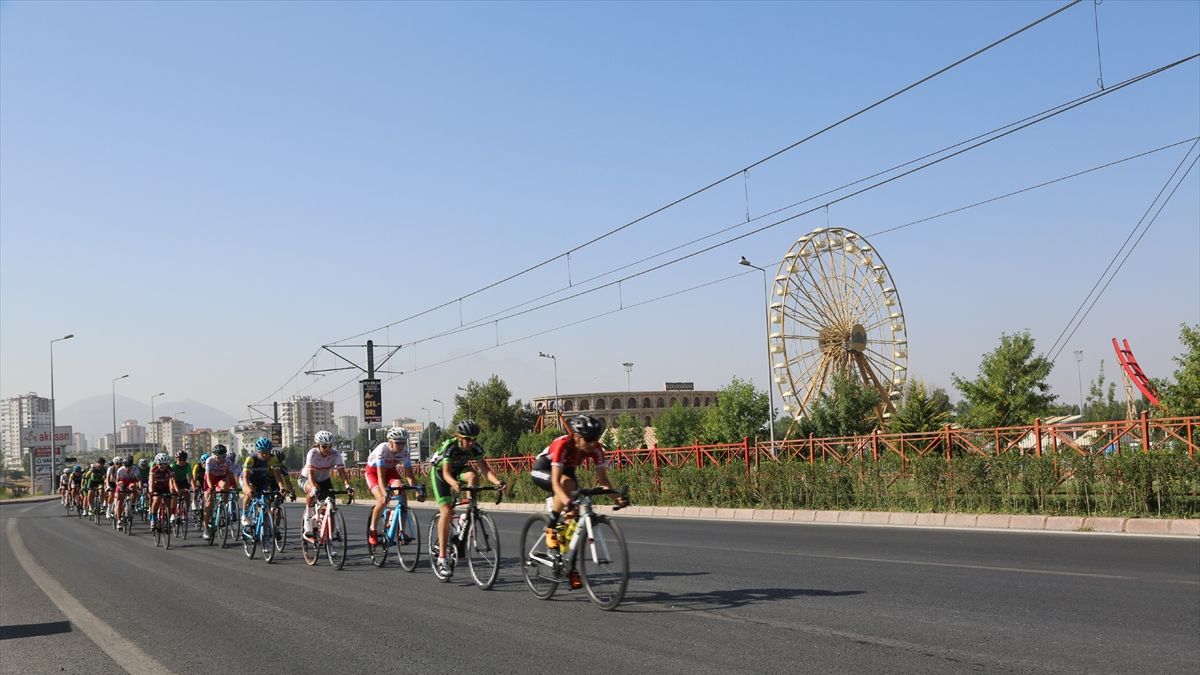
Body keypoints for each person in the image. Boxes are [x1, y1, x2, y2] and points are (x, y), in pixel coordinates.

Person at [529, 414, 626, 588]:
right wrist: (567, 501)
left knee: (574, 522)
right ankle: (550, 527)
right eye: (588, 439)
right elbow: (556, 483)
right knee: (568, 485)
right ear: (576, 436)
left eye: (595, 439)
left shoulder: (596, 449)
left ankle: (569, 567)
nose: (592, 444)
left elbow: (603, 481)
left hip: (567, 470)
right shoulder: (562, 445)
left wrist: (617, 498)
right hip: (544, 469)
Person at [428, 420, 505, 578]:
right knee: (447, 510)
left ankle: (470, 509)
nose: (471, 442)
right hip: (441, 473)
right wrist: (453, 483)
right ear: (459, 437)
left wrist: (497, 482)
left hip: (458, 470)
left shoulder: (475, 447)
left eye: (474, 439)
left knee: (473, 475)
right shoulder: (451, 447)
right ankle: (442, 558)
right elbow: (446, 473)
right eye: (467, 439)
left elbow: (484, 469)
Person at [366, 427, 424, 546]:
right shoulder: (382, 449)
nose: (401, 446)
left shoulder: (404, 453)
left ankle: (401, 532)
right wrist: (385, 493)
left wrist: (417, 490)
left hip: (390, 472)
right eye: (398, 443)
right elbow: (381, 478)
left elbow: (410, 476)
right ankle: (372, 530)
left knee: (402, 491)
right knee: (382, 500)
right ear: (390, 442)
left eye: (403, 443)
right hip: (373, 473)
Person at [301, 430, 354, 542]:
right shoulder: (313, 453)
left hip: (325, 480)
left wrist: (347, 485)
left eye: (330, 446)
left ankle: (331, 533)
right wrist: (314, 487)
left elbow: (341, 472)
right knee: (313, 491)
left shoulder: (335, 454)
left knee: (331, 504)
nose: (327, 449)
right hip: (307, 478)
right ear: (318, 445)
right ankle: (308, 522)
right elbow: (310, 474)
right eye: (324, 447)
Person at [240, 438, 287, 528]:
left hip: (261, 479)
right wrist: (248, 489)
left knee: (265, 498)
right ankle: (245, 515)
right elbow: (245, 478)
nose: (265, 455)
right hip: (248, 479)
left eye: (267, 452)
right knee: (248, 493)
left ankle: (262, 519)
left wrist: (282, 487)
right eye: (262, 452)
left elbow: (278, 477)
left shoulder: (273, 459)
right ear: (258, 451)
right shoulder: (250, 459)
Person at [202, 444, 236, 540]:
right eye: (218, 457)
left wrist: (233, 487)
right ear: (214, 455)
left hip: (221, 478)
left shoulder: (228, 461)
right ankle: (205, 528)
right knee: (208, 502)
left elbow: (230, 476)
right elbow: (208, 476)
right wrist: (211, 488)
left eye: (223, 456)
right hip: (210, 479)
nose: (221, 459)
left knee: (226, 486)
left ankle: (223, 509)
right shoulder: (210, 461)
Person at [146, 453, 176, 529]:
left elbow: (173, 481)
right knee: (156, 499)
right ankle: (153, 518)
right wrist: (151, 491)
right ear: (157, 463)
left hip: (165, 486)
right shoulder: (154, 469)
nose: (163, 466)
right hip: (156, 487)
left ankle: (167, 520)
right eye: (161, 464)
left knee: (168, 502)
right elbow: (151, 481)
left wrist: (175, 490)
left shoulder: (170, 469)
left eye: (165, 464)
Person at [113, 457, 141, 529]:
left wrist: (139, 488)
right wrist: (118, 488)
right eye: (126, 466)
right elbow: (117, 481)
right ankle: (119, 520)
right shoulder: (120, 470)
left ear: (132, 465)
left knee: (133, 487)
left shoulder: (135, 469)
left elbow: (139, 480)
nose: (127, 468)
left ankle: (132, 504)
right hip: (122, 483)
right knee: (119, 499)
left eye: (129, 466)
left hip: (130, 482)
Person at [169, 451, 191, 523]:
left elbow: (190, 477)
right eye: (180, 460)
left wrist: (191, 487)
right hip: (173, 481)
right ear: (176, 459)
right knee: (174, 496)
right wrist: (173, 488)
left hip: (183, 481)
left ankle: (185, 513)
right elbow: (171, 480)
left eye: (184, 460)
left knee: (187, 496)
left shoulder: (187, 465)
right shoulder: (173, 466)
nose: (182, 461)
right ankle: (172, 514)